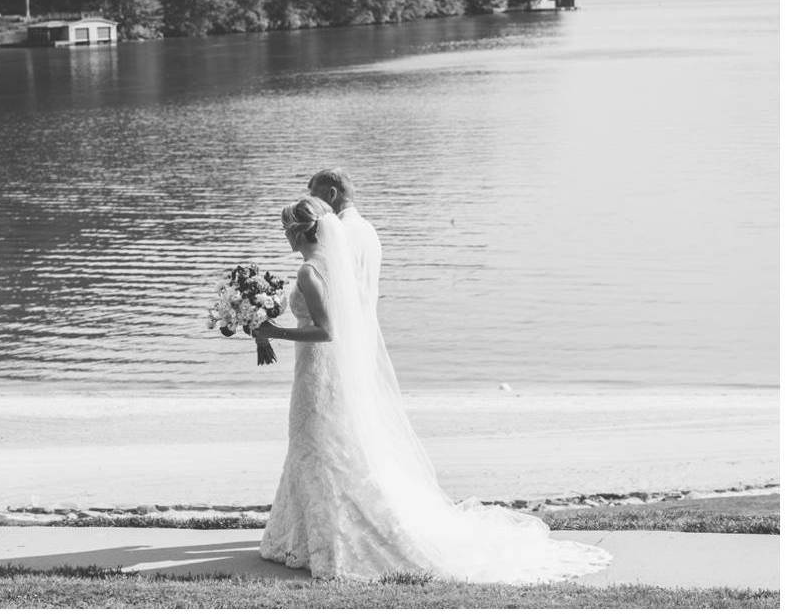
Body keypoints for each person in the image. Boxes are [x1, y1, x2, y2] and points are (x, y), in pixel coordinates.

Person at [253, 195, 611, 582]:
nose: (283, 235)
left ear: (298, 231)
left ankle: (321, 540)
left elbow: (327, 331)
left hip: (317, 374)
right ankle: (303, 537)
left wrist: (272, 331)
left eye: (285, 228)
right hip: (326, 374)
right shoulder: (332, 268)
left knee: (316, 447)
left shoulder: (309, 272)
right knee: (321, 448)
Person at [307, 169, 381, 313]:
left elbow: (334, 289)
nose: (311, 206)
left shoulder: (335, 234)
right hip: (367, 325)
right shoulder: (369, 229)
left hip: (342, 326)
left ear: (332, 194)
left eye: (314, 198)